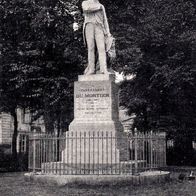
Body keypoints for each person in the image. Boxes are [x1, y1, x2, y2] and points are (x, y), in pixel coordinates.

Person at [82, 0, 112, 75]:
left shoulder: (101, 5)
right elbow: (86, 8)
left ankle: (103, 69)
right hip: (89, 25)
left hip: (99, 27)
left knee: (102, 48)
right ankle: (91, 69)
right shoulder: (85, 2)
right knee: (91, 48)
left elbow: (105, 20)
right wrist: (98, 7)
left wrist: (108, 32)